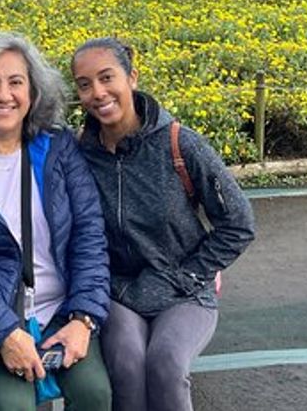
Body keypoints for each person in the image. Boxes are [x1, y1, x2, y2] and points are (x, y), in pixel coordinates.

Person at [0, 32, 112, 411]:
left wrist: (83, 318)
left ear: (33, 92)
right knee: (12, 405)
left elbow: (89, 235)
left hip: (60, 311)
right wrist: (4, 334)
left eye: (16, 82)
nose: (4, 95)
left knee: (94, 393)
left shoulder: (57, 147)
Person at [70, 37, 256, 411]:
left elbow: (239, 223)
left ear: (132, 77)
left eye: (107, 78)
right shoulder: (79, 152)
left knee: (166, 363)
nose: (98, 93)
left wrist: (188, 275)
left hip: (185, 291)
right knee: (126, 364)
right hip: (119, 291)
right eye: (84, 84)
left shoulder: (179, 144)